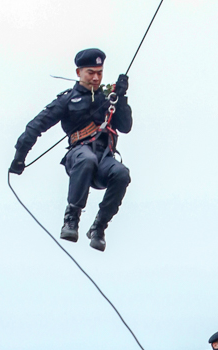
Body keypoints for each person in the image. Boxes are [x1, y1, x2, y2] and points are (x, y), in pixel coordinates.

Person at [9, 48, 132, 252]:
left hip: (104, 159)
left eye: (99, 73)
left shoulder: (107, 98)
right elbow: (35, 126)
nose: (95, 77)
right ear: (79, 73)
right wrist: (19, 158)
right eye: (90, 72)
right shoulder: (68, 100)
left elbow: (125, 126)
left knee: (121, 173)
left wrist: (121, 97)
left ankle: (98, 228)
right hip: (79, 156)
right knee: (87, 159)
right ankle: (71, 218)